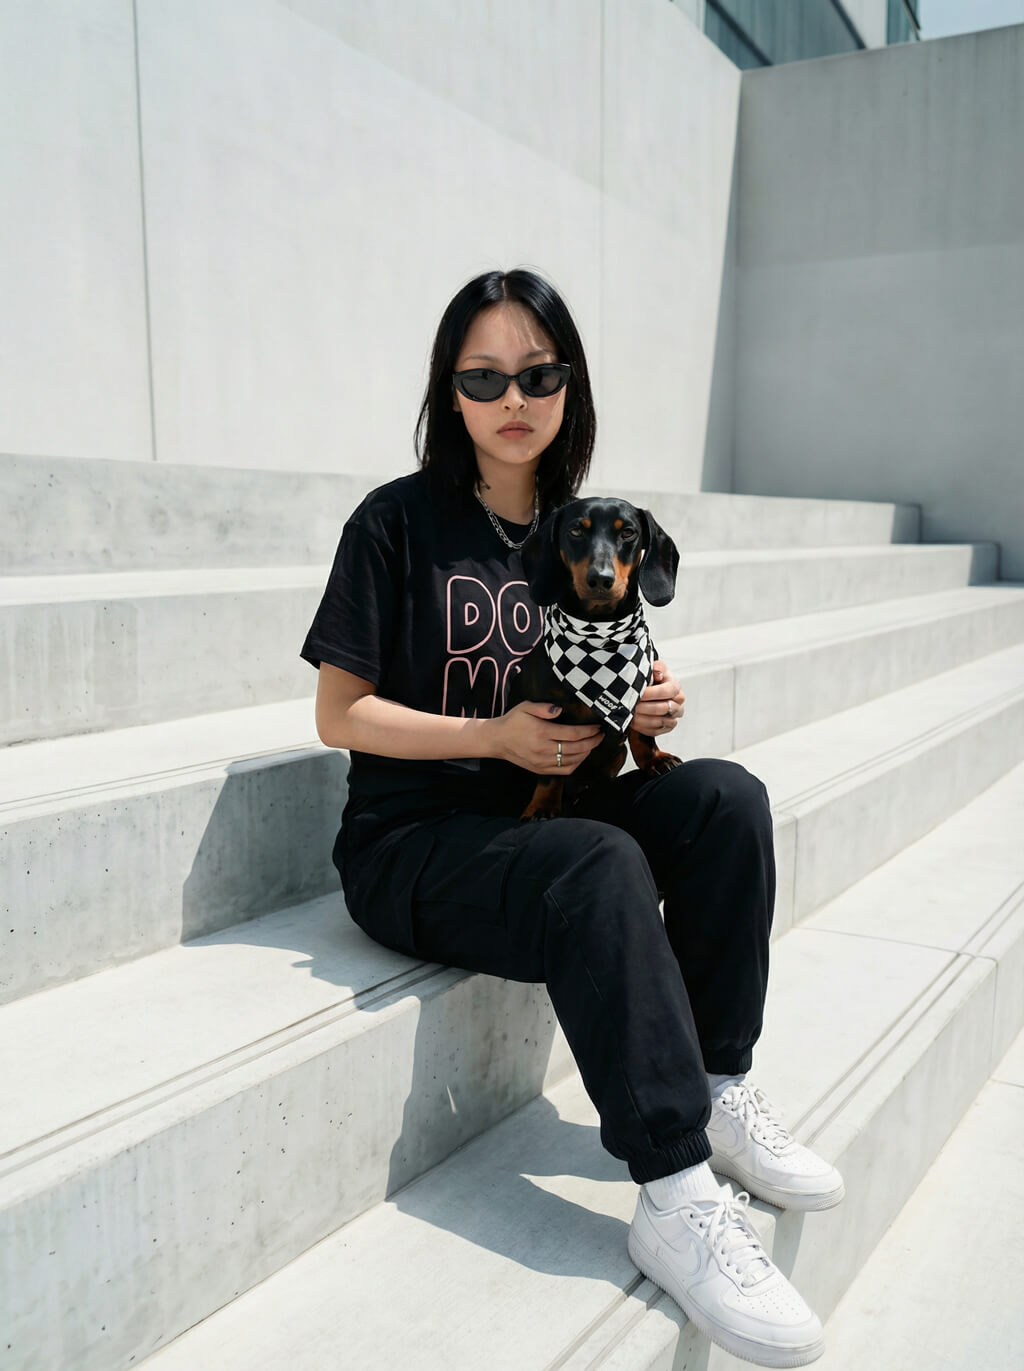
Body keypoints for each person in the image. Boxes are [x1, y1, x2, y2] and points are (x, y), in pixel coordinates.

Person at [299, 267, 844, 1368]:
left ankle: (718, 1083)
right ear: (449, 390)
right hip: (419, 840)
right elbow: (337, 714)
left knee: (725, 800)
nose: (513, 398)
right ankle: (675, 1192)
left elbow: (608, 663)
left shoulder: (580, 529)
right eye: (483, 377)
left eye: (537, 375)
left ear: (569, 387)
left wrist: (647, 699)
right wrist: (493, 737)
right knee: (592, 861)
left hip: (556, 805)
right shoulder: (396, 523)